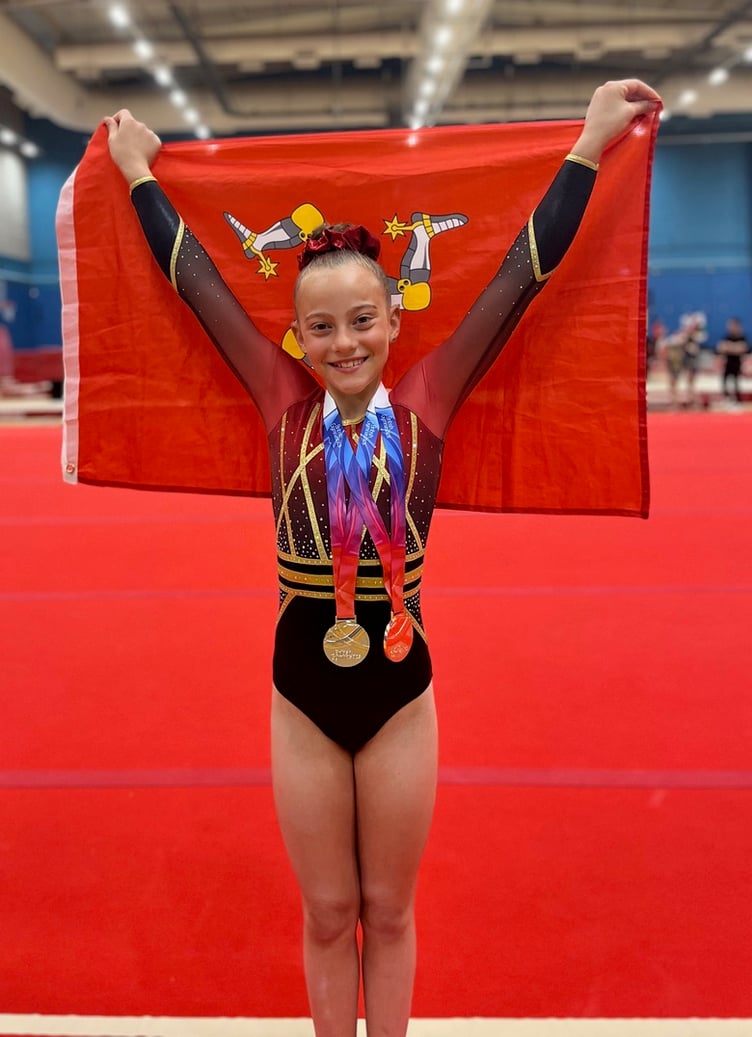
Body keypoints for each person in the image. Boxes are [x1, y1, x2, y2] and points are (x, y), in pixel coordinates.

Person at [105, 78, 660, 1037]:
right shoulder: (281, 403)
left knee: (390, 910)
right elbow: (195, 282)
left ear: (395, 318)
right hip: (300, 692)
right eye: (321, 326)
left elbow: (521, 276)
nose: (345, 341)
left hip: (401, 691)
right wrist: (134, 173)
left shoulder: (427, 405)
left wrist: (587, 146)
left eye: (363, 318)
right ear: (298, 337)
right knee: (328, 912)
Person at [716, 316, 749, 409]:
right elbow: (721, 347)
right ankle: (726, 398)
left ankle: (738, 400)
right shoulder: (726, 337)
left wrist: (730, 347)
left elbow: (742, 348)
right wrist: (734, 347)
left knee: (736, 382)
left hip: (737, 363)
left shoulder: (742, 337)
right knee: (725, 381)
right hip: (728, 363)